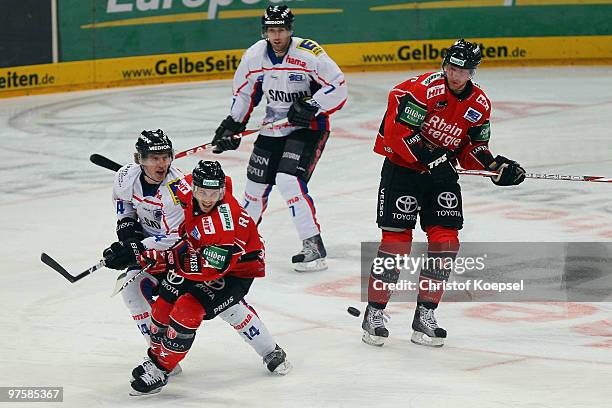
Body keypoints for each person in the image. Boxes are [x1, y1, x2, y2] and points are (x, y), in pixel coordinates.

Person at [361, 39, 526, 347]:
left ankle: (425, 314)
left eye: (462, 70)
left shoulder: (479, 105)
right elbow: (400, 136)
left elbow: (473, 149)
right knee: (396, 244)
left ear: (472, 71)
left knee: (446, 243)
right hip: (403, 171)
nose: (455, 74)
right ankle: (375, 311)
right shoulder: (422, 90)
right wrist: (435, 160)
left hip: (441, 177)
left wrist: (495, 167)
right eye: (451, 66)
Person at [128, 160, 291, 396]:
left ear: (221, 192)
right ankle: (157, 358)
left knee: (189, 308)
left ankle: (161, 370)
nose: (207, 198)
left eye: (214, 193)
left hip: (236, 268)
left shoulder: (221, 225)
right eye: (202, 191)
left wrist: (166, 259)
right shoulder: (186, 187)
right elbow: (168, 183)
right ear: (193, 187)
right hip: (199, 251)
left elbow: (211, 270)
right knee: (164, 302)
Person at [210, 4, 348, 272]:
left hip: (309, 128)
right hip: (272, 127)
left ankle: (313, 246)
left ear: (290, 30)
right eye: (271, 30)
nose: (276, 36)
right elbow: (245, 93)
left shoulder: (309, 54)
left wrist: (311, 104)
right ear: (265, 31)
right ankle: (240, 244)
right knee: (253, 187)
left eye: (281, 30)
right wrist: (232, 125)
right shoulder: (254, 56)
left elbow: (338, 86)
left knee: (288, 180)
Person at [102, 130, 184, 346]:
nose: (161, 164)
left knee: (223, 304)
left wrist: (136, 247)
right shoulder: (125, 177)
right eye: (154, 158)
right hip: (149, 251)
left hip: (182, 254)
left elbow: (175, 236)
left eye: (165, 157)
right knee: (130, 290)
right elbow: (124, 205)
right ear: (139, 159)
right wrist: (127, 236)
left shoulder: (177, 190)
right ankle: (159, 351)